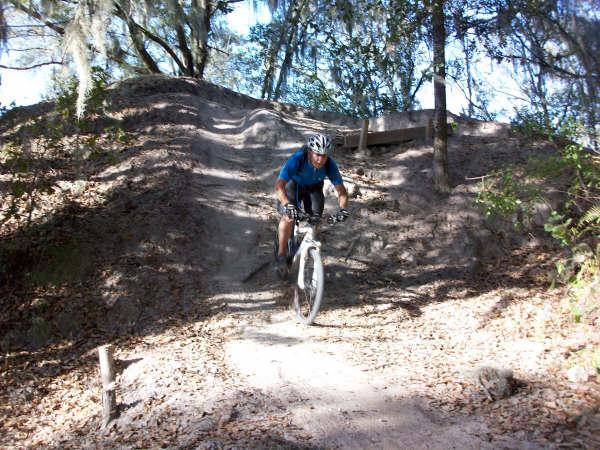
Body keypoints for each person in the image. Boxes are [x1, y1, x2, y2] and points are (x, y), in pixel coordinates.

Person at [274, 133, 349, 277]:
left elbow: (341, 191)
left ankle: (310, 251)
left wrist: (343, 210)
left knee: (316, 220)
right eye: (317, 154)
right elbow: (279, 185)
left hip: (314, 188)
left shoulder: (329, 164)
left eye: (324, 156)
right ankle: (281, 256)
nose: (321, 159)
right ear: (310, 152)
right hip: (293, 186)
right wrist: (287, 204)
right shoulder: (297, 159)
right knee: (288, 217)